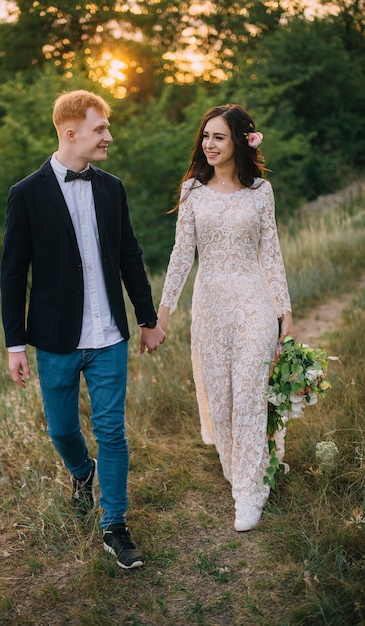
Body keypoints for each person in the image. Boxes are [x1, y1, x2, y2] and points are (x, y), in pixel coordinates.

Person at [0, 89, 166, 569]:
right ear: (71, 133)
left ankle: (115, 525)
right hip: (55, 340)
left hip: (109, 335)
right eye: (101, 128)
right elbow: (13, 275)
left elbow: (130, 255)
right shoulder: (26, 194)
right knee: (61, 429)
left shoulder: (113, 188)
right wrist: (15, 345)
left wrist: (147, 318)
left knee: (111, 430)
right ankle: (81, 471)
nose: (109, 136)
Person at [158, 104, 296, 532]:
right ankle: (250, 467)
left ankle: (248, 495)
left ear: (240, 139)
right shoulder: (192, 192)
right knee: (221, 399)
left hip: (254, 303)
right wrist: (162, 314)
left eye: (219, 136)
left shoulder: (262, 192)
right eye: (206, 137)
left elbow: (270, 253)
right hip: (211, 307)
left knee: (251, 395)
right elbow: (182, 256)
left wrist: (284, 310)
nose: (210, 144)